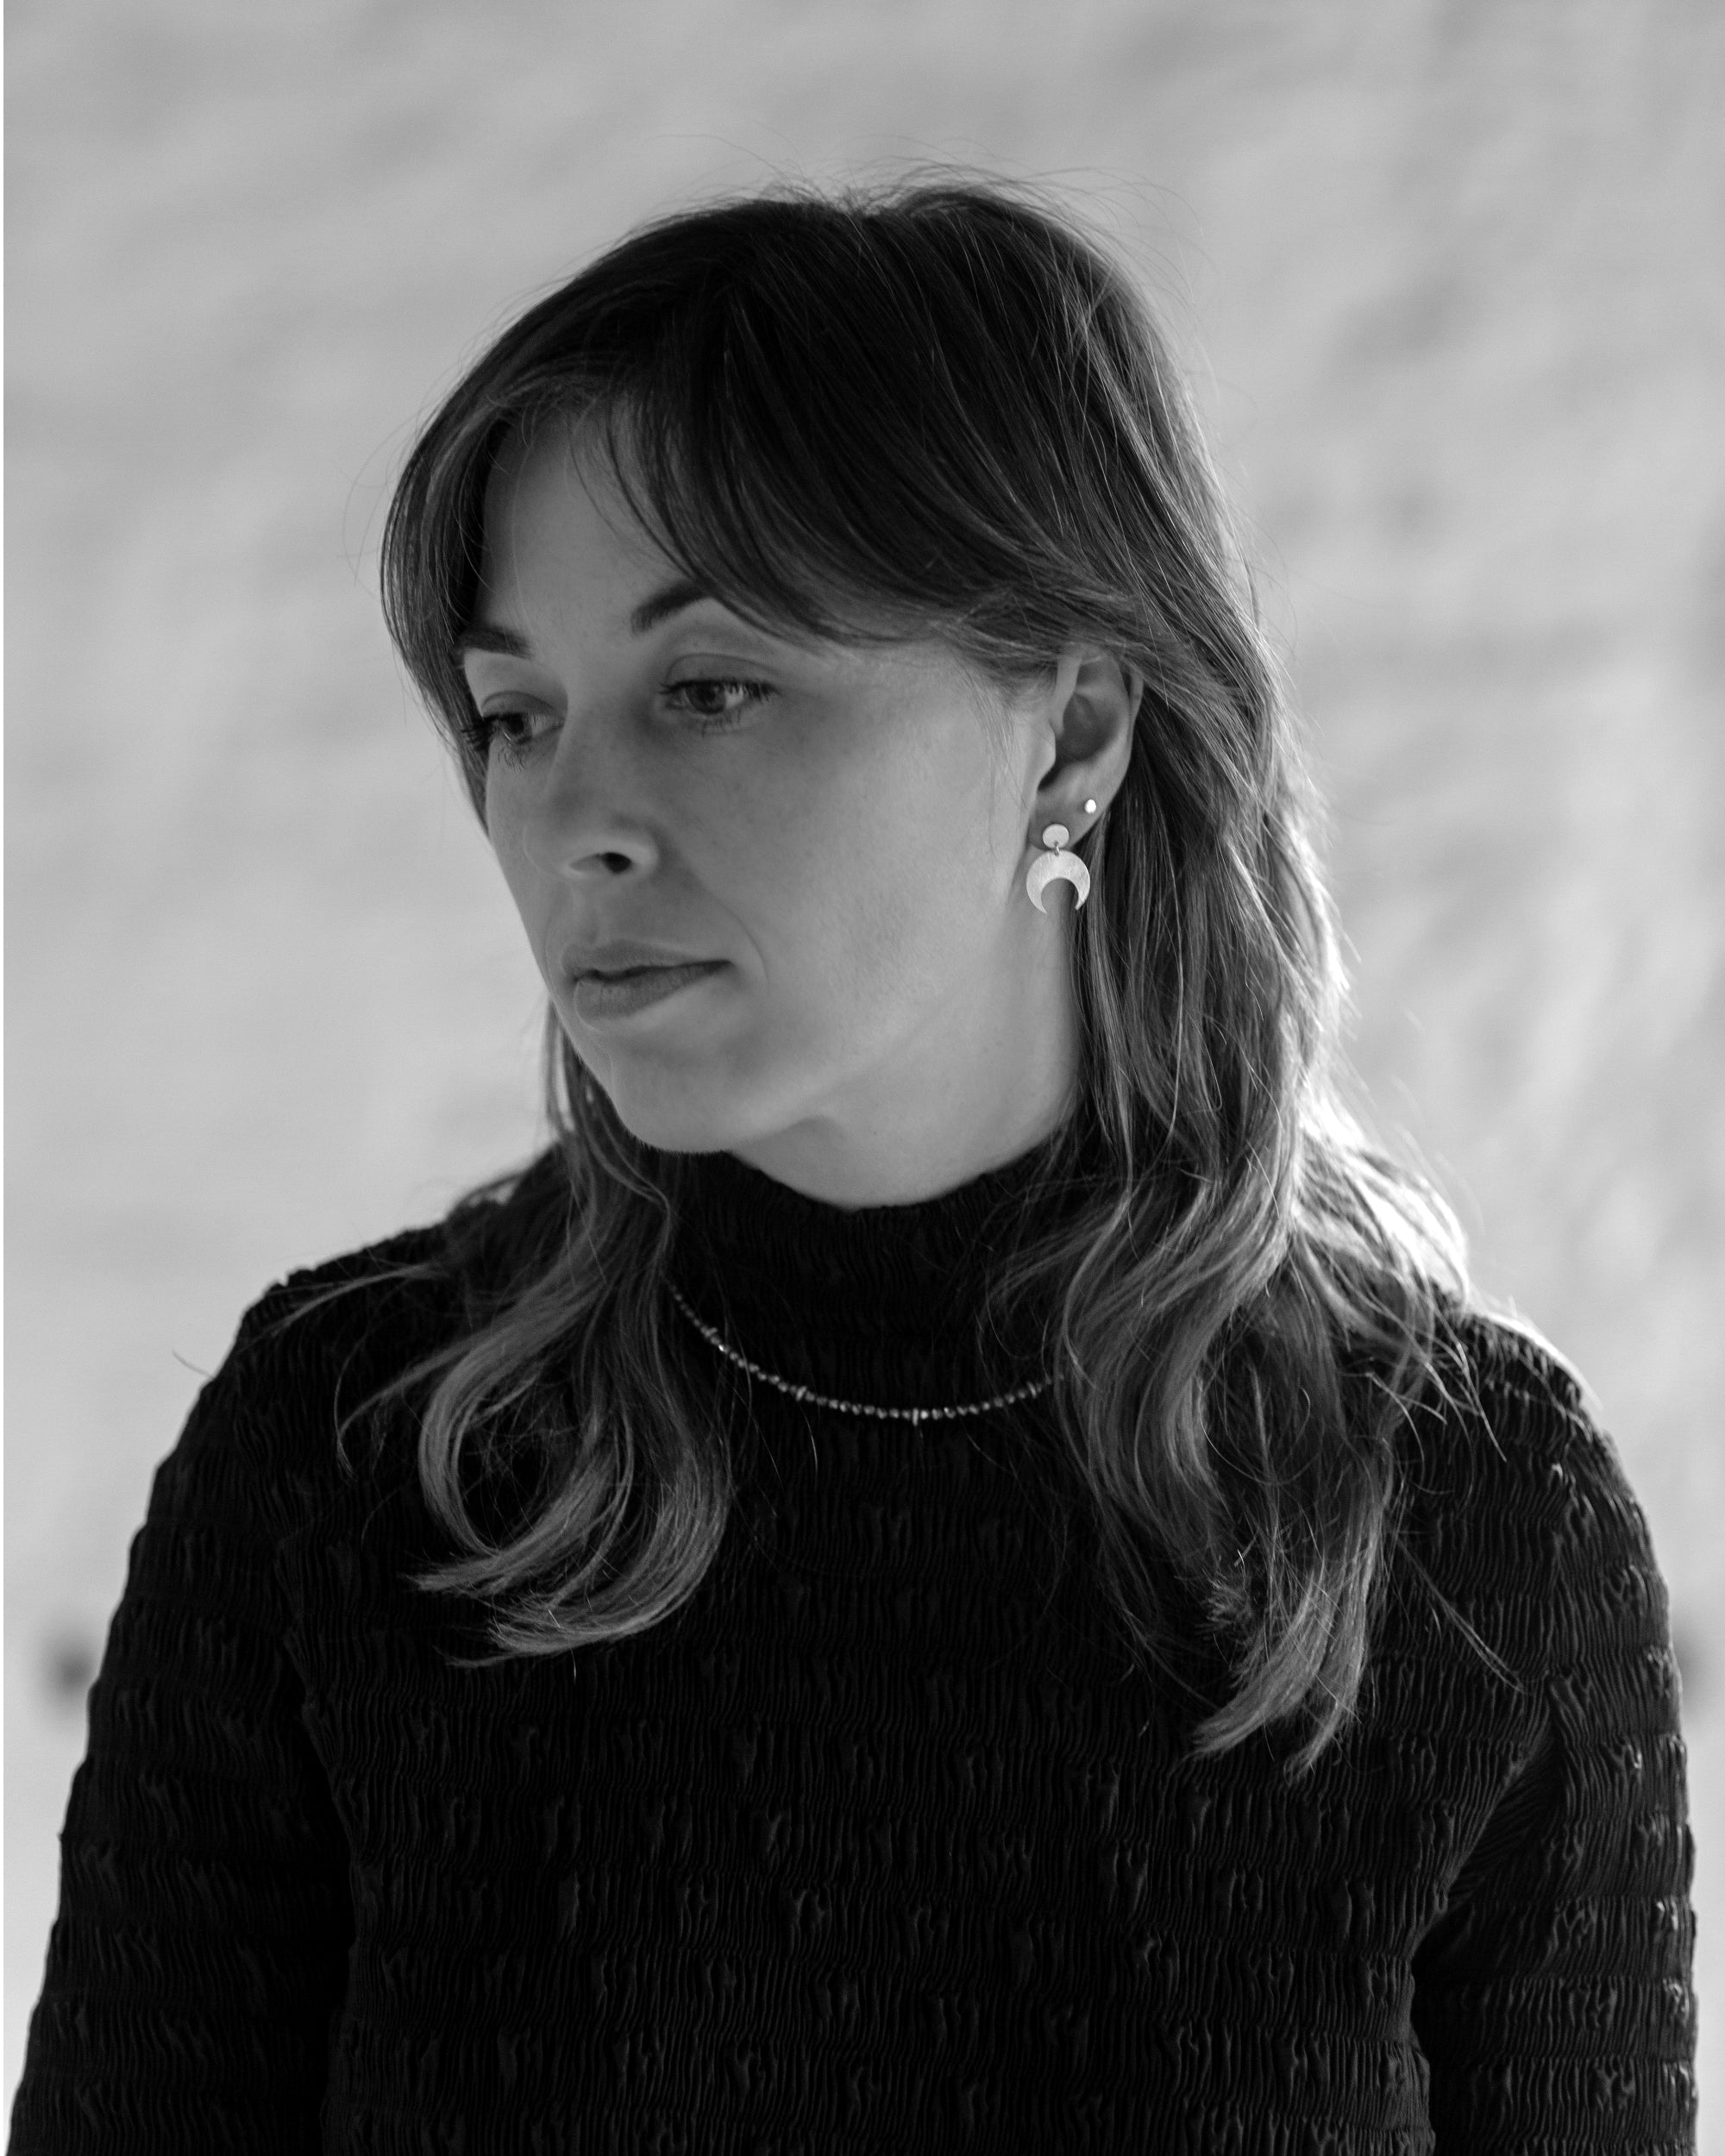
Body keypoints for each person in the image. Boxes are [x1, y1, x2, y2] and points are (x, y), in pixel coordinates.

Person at [10, 172, 1697, 2153]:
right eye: (514, 711)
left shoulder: (1470, 1510)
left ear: (1069, 728)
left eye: (710, 686)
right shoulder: (353, 1452)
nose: (577, 822)